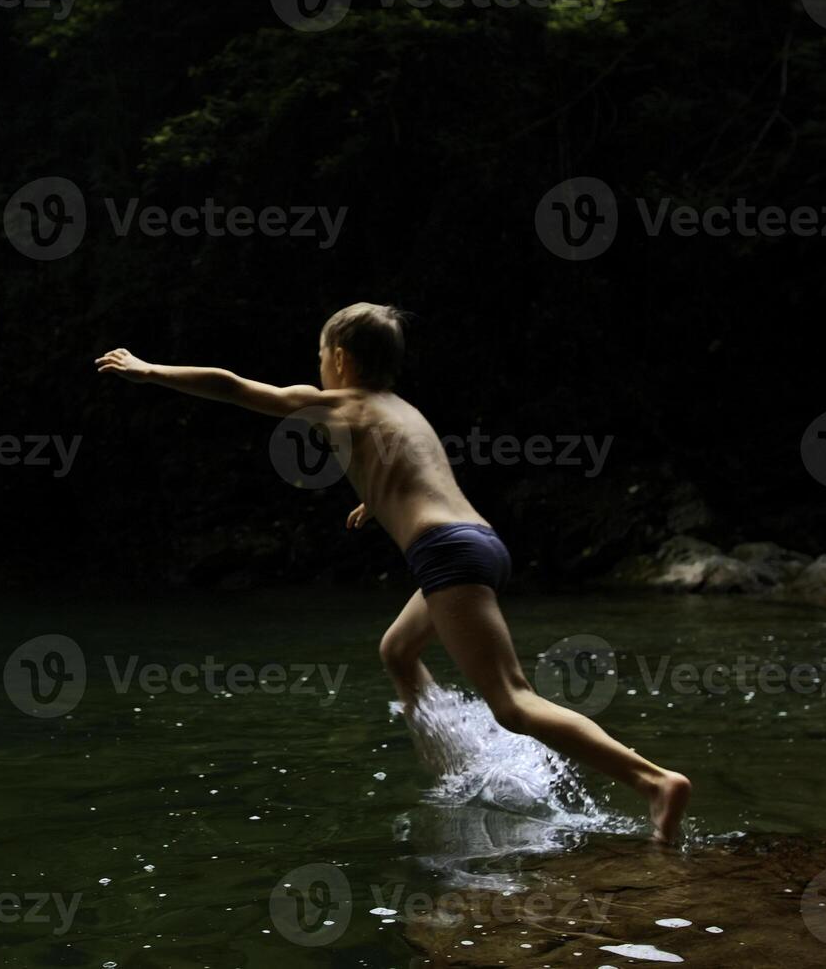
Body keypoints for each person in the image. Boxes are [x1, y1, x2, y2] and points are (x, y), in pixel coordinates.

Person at [95, 302, 692, 842]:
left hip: (447, 553)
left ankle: (653, 781)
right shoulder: (401, 410)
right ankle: (463, 762)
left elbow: (237, 388)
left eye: (320, 357)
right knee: (397, 652)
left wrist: (150, 372)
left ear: (340, 359)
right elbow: (413, 472)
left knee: (512, 702)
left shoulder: (343, 404)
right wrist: (374, 501)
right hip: (478, 542)